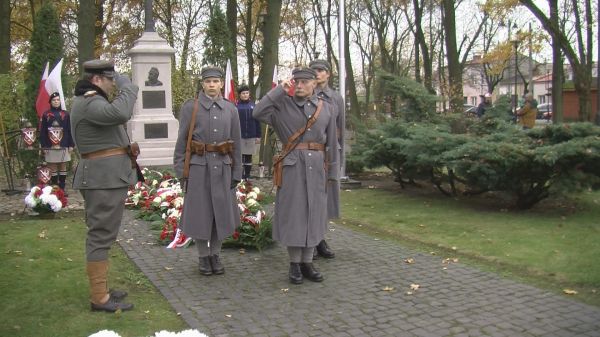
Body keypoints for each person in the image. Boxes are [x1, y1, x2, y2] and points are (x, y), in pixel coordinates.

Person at [253, 67, 338, 284]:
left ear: (314, 84)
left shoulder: (327, 108)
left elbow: (331, 144)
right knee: (294, 215)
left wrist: (334, 172)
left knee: (314, 214)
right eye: (296, 82)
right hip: (292, 167)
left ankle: (308, 262)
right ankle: (294, 264)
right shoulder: (281, 106)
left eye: (304, 82)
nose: (299, 85)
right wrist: (278, 91)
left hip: (318, 167)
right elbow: (258, 112)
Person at [70, 59, 139, 312]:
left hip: (105, 178)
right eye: (110, 80)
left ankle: (102, 290)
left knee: (104, 233)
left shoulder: (91, 101)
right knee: (100, 235)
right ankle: (99, 298)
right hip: (102, 180)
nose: (113, 85)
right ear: (97, 79)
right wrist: (128, 85)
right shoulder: (90, 103)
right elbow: (122, 112)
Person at [173, 66, 242, 277]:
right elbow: (182, 141)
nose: (211, 85)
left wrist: (236, 172)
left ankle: (215, 254)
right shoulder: (190, 107)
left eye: (215, 81)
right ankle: (203, 257)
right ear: (202, 84)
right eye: (207, 81)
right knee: (201, 214)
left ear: (222, 83)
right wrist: (180, 170)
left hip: (222, 167)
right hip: (198, 168)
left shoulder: (231, 109)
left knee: (220, 213)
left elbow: (236, 143)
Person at [309, 59, 343, 259]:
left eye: (321, 70)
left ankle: (320, 238)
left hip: (330, 153)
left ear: (328, 74)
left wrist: (339, 161)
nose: (317, 74)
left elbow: (339, 127)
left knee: (325, 200)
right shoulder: (305, 96)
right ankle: (310, 240)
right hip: (312, 153)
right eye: (314, 71)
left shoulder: (335, 98)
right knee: (310, 199)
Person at [39, 92, 75, 192]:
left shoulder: (66, 114)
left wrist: (71, 144)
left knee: (63, 165)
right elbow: (43, 131)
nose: (56, 102)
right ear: (50, 102)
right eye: (54, 100)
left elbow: (69, 129)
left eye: (58, 100)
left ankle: (62, 189)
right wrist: (44, 146)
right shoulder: (46, 114)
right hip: (50, 145)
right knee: (53, 166)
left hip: (64, 144)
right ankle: (55, 189)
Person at [236, 84, 261, 180]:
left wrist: (258, 135)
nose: (245, 95)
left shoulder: (253, 106)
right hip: (239, 135)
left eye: (247, 93)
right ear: (240, 95)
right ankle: (240, 175)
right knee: (240, 156)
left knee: (248, 157)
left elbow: (257, 121)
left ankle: (247, 175)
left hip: (251, 135)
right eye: (243, 93)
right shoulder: (236, 106)